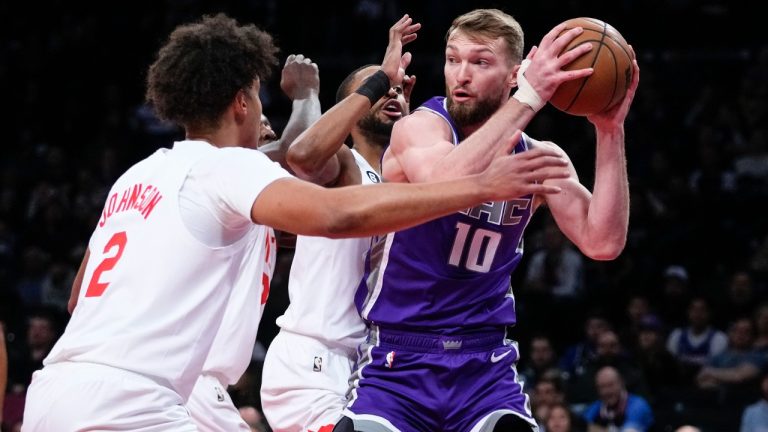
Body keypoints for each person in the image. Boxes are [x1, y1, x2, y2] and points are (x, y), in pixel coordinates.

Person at [21, 12, 571, 431]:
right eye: (260, 103)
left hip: (72, 387)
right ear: (241, 103)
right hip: (151, 395)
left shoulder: (138, 175)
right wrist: (477, 187)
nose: (267, 118)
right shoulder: (238, 170)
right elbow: (322, 190)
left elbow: (77, 300)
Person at [339, 8, 639, 432]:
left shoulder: (538, 158)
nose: (461, 74)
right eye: (453, 59)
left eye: (480, 62)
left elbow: (602, 242)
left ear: (515, 74)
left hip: (485, 365)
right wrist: (529, 100)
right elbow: (443, 185)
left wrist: (610, 130)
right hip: (398, 359)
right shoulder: (422, 128)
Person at [260, 28, 416, 432]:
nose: (392, 94)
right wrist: (311, 92)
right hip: (316, 360)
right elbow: (305, 156)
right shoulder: (345, 167)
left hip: (374, 367)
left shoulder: (412, 190)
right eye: (379, 86)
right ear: (350, 107)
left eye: (400, 89)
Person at [184, 53, 322, 432]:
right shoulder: (226, 168)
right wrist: (307, 92)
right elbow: (300, 155)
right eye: (263, 126)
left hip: (190, 381)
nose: (269, 136)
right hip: (187, 381)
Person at [582, 366, 654, 432]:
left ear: (621, 382)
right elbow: (583, 425)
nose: (606, 391)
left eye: (610, 385)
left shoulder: (638, 405)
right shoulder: (595, 408)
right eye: (602, 387)